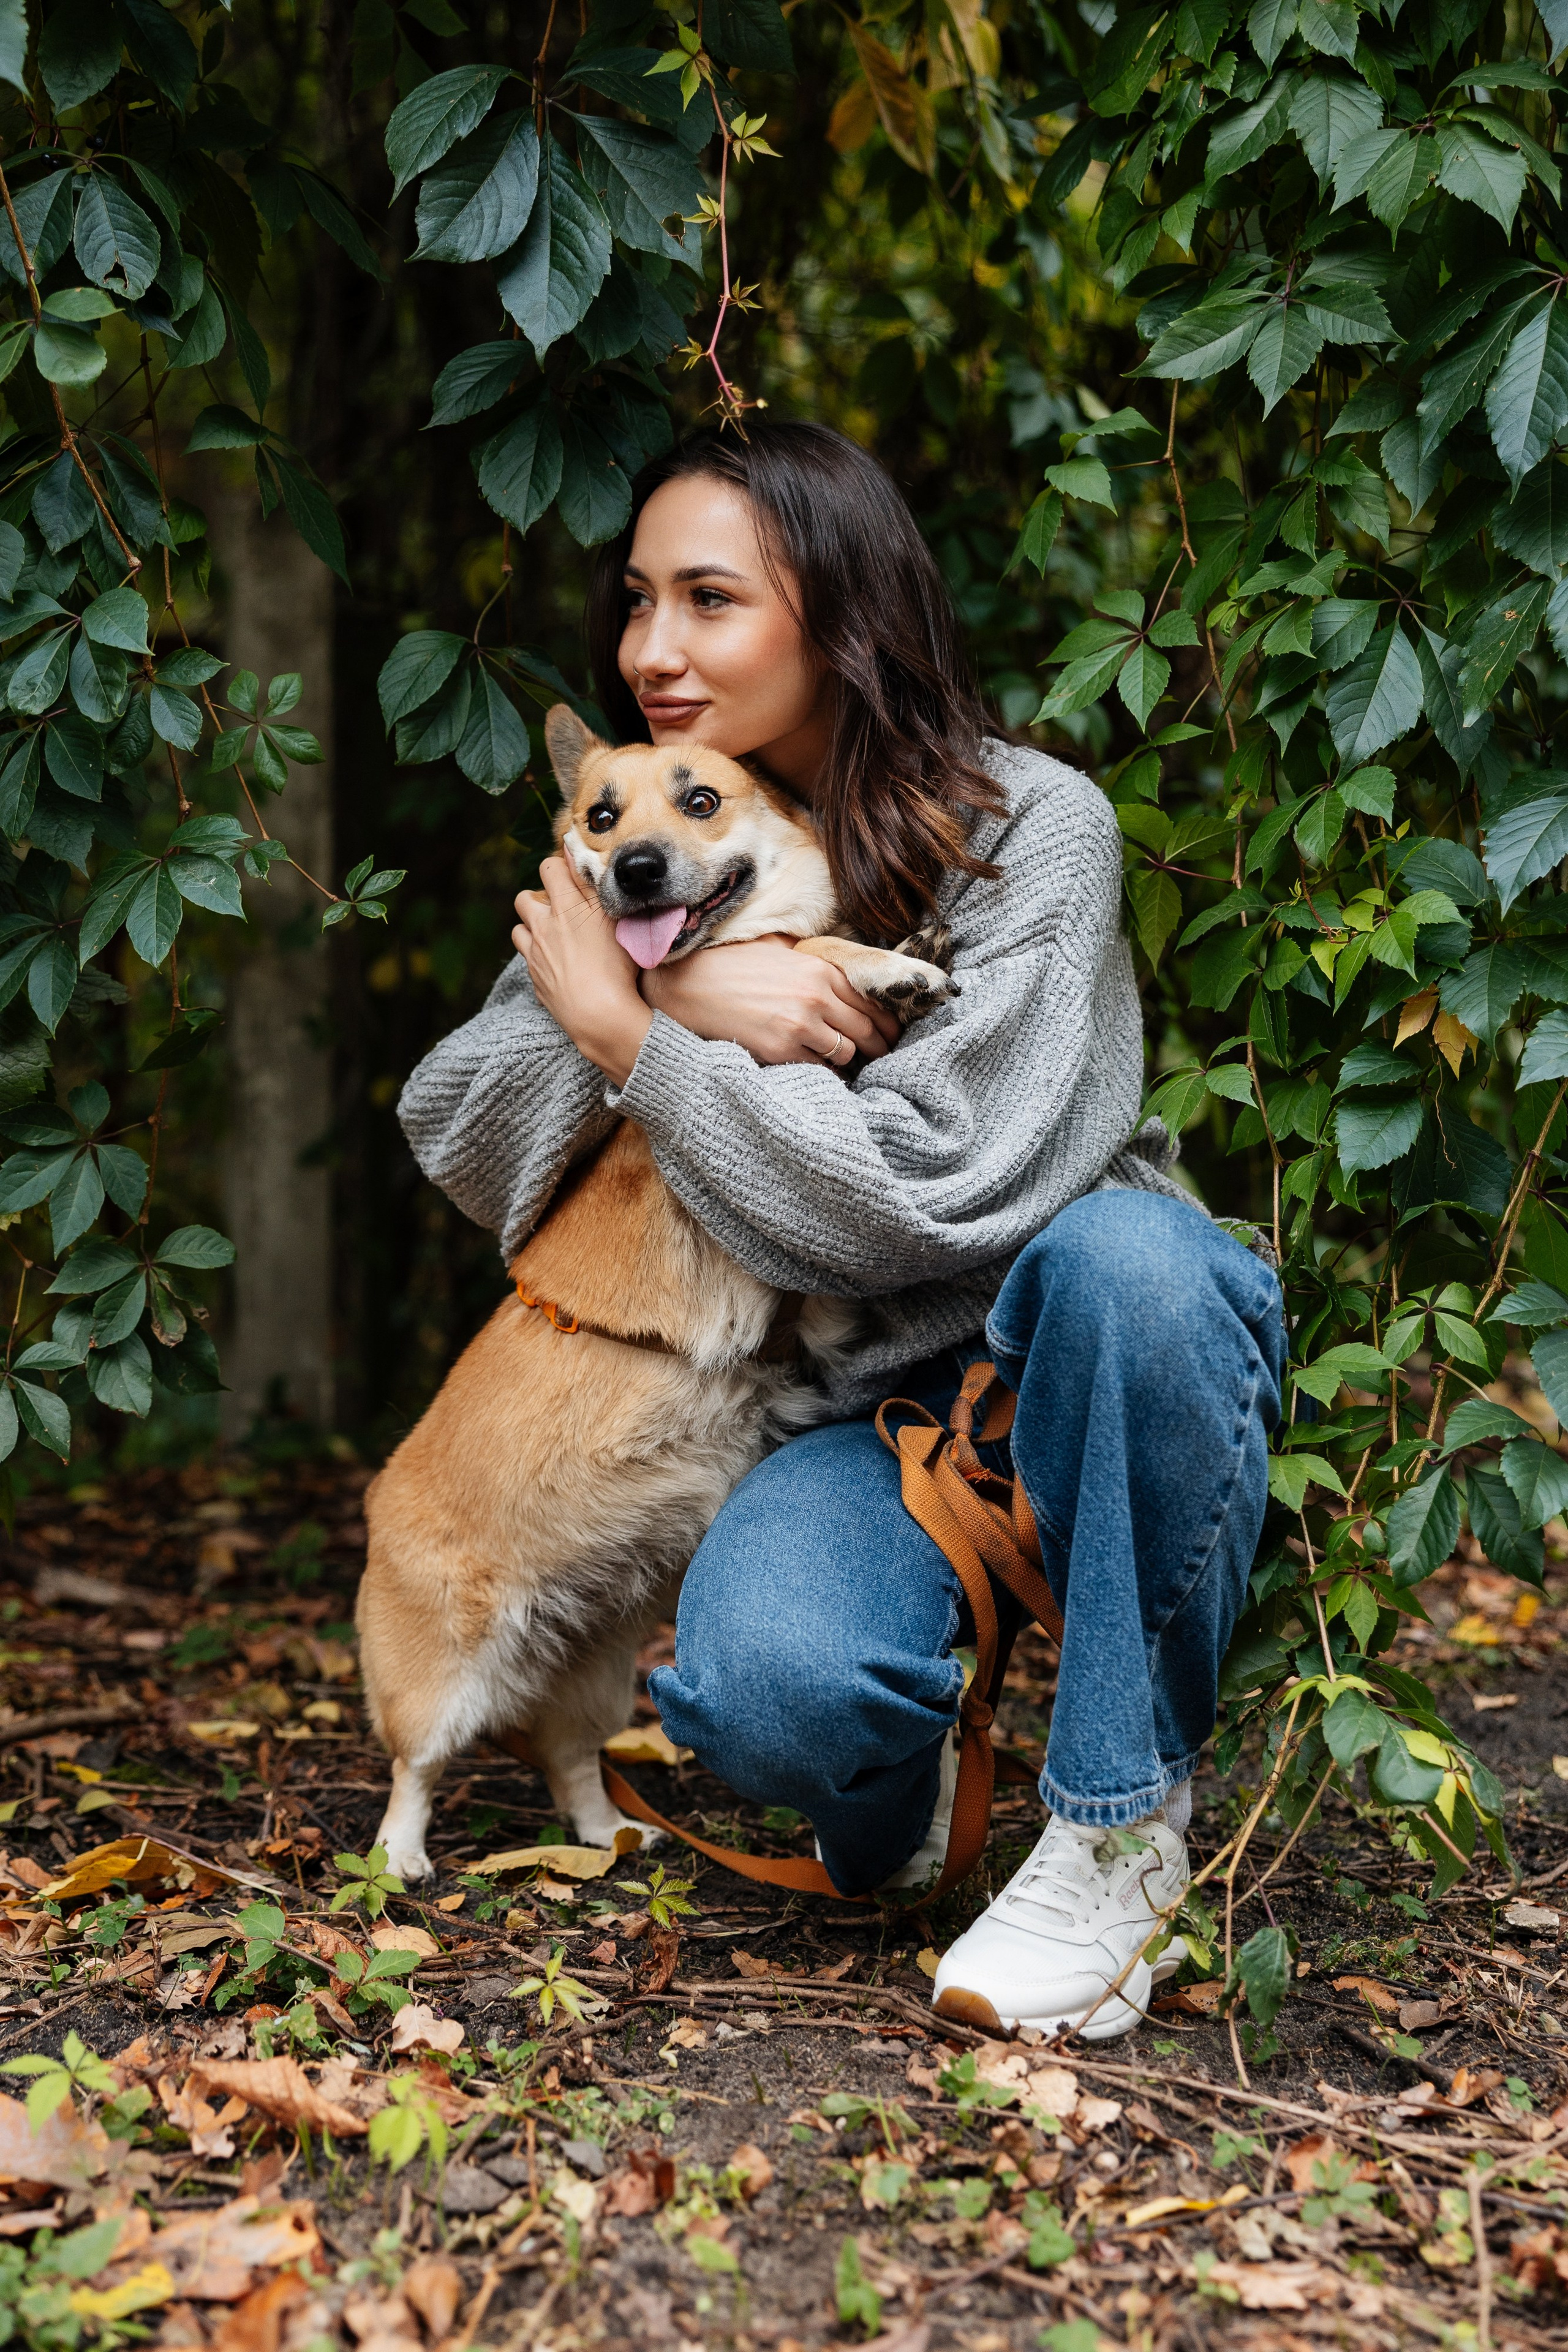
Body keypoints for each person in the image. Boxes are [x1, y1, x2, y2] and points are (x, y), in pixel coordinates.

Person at [398, 420, 1285, 2041]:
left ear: (843, 609)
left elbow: (919, 1198)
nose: (653, 650)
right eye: (636, 600)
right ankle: (899, 1778)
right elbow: (453, 1120)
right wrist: (674, 993)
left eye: (710, 599)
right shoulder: (651, 840)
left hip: (1082, 1363)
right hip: (849, 1412)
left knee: (1138, 1264)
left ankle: (1114, 1827)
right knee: (761, 1694)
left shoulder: (1030, 829)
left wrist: (644, 1036)